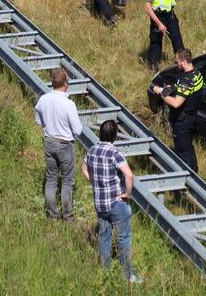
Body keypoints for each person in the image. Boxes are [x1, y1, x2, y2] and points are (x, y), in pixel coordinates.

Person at [82, 119, 142, 284]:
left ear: (100, 133)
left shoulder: (92, 150)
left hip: (100, 203)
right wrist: (127, 194)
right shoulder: (115, 153)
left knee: (104, 237)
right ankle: (128, 275)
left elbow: (84, 169)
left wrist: (95, 182)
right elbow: (129, 175)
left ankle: (105, 271)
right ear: (115, 136)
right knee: (124, 238)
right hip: (116, 202)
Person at [34, 67, 83, 221]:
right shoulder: (69, 104)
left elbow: (38, 120)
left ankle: (52, 214)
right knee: (67, 181)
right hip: (65, 144)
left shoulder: (43, 99)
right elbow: (78, 130)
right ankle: (67, 216)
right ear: (65, 84)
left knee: (51, 179)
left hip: (49, 142)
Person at [151, 49, 203, 172]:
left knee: (183, 152)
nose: (176, 64)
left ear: (184, 61)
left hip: (182, 122)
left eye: (177, 62)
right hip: (192, 118)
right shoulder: (197, 75)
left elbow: (176, 103)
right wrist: (168, 89)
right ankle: (194, 172)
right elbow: (181, 89)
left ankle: (187, 181)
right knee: (188, 149)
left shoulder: (186, 80)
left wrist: (161, 93)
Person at [144, 0, 183, 71]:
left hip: (170, 15)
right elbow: (148, 7)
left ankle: (181, 64)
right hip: (158, 16)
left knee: (177, 40)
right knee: (156, 43)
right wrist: (159, 24)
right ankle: (153, 67)